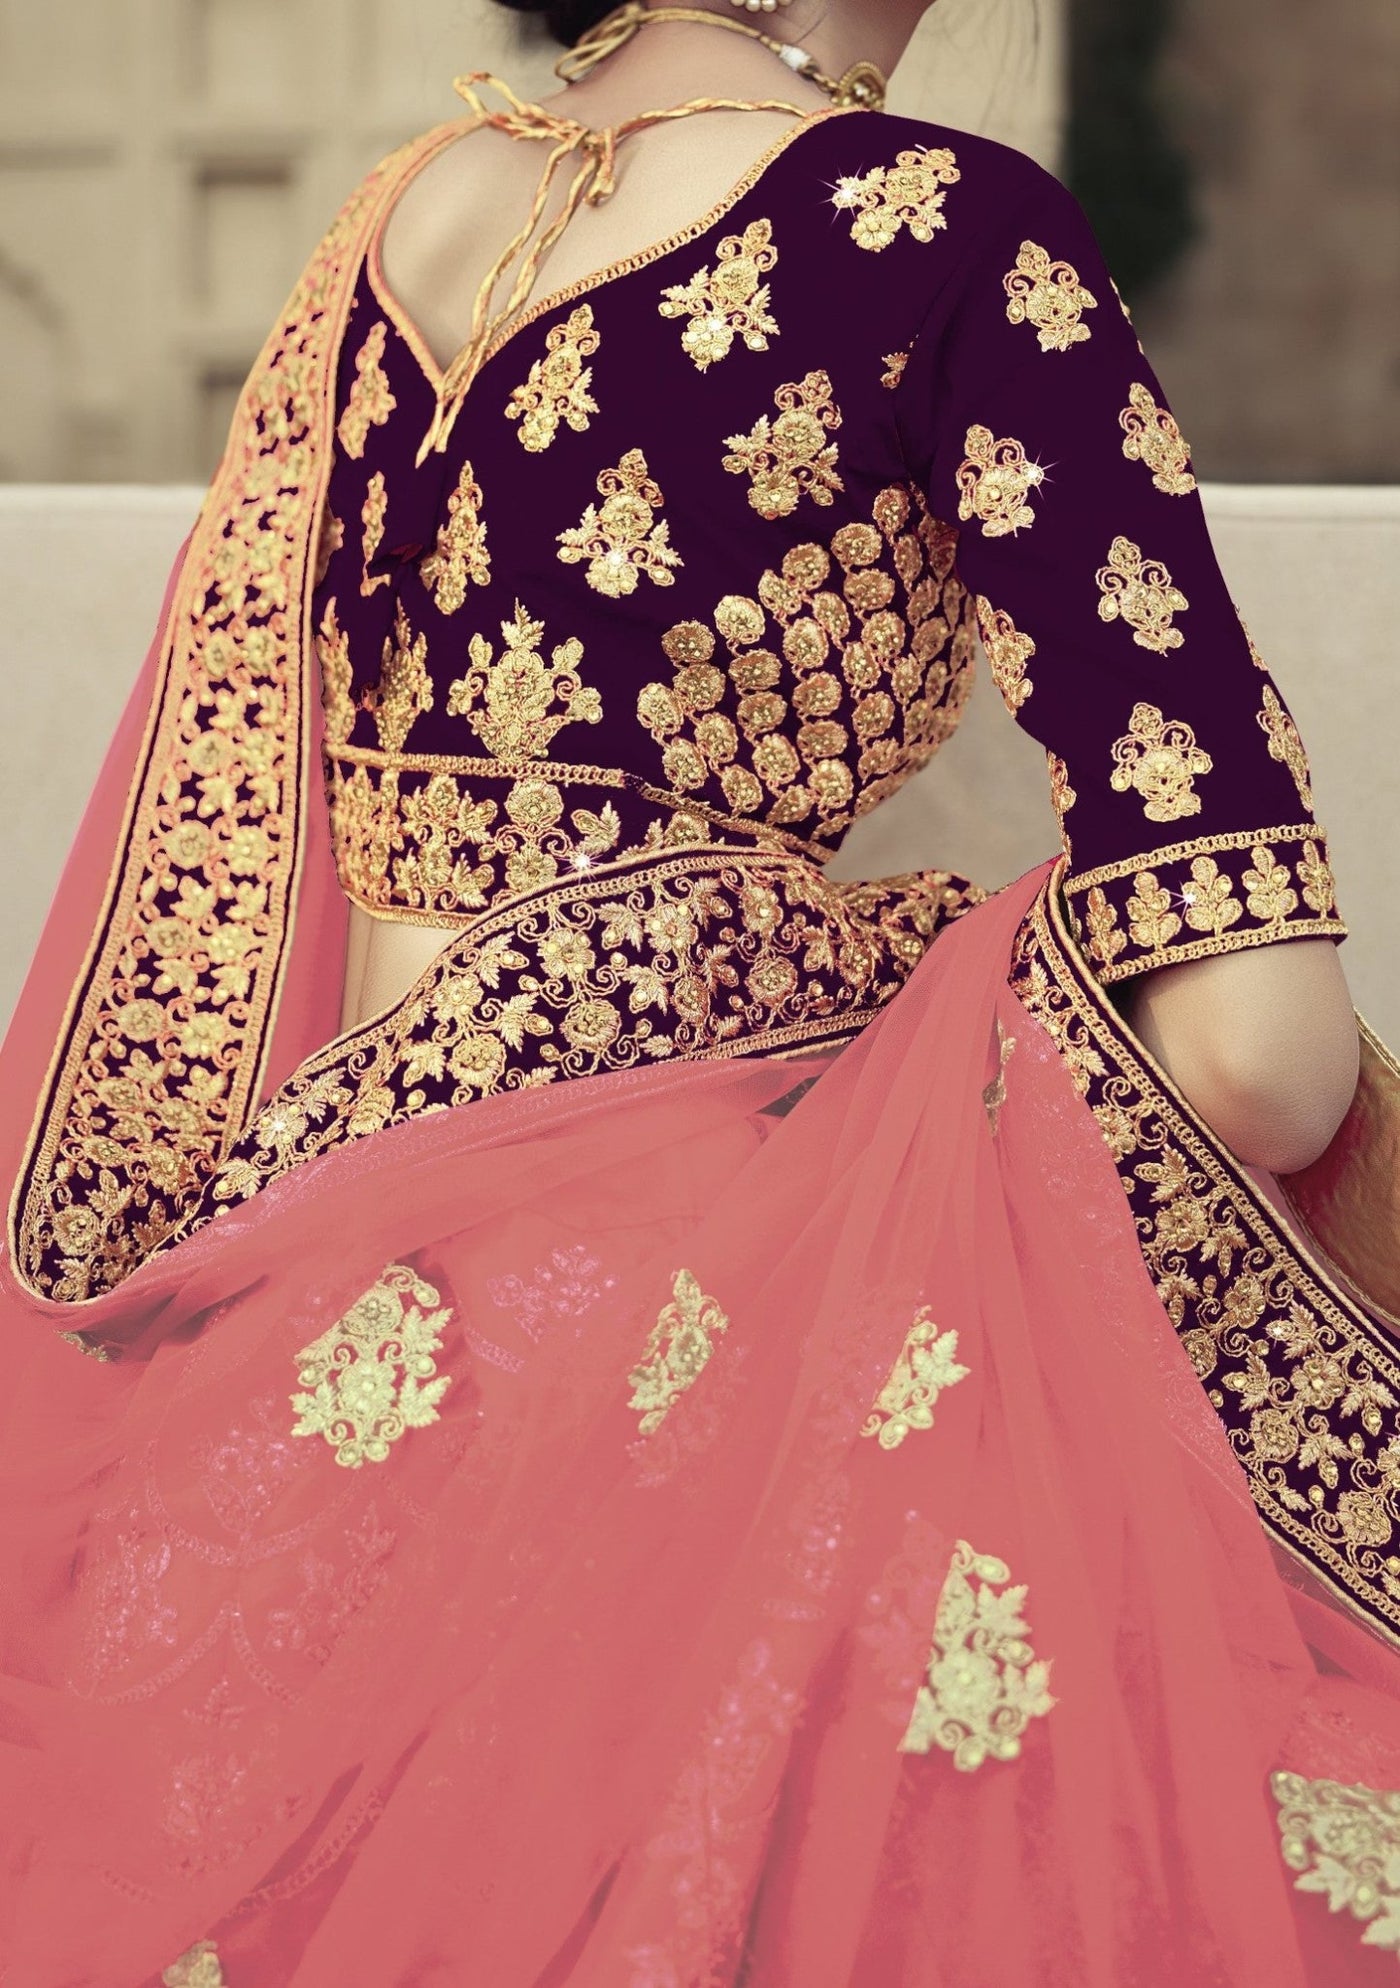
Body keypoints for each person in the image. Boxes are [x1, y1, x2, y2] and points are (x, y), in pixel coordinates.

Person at [0, 2, 1396, 1981]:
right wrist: (960, 985)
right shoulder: (936, 228)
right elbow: (1261, 1064)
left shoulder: (398, 227)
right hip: (692, 1385)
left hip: (276, 1395)